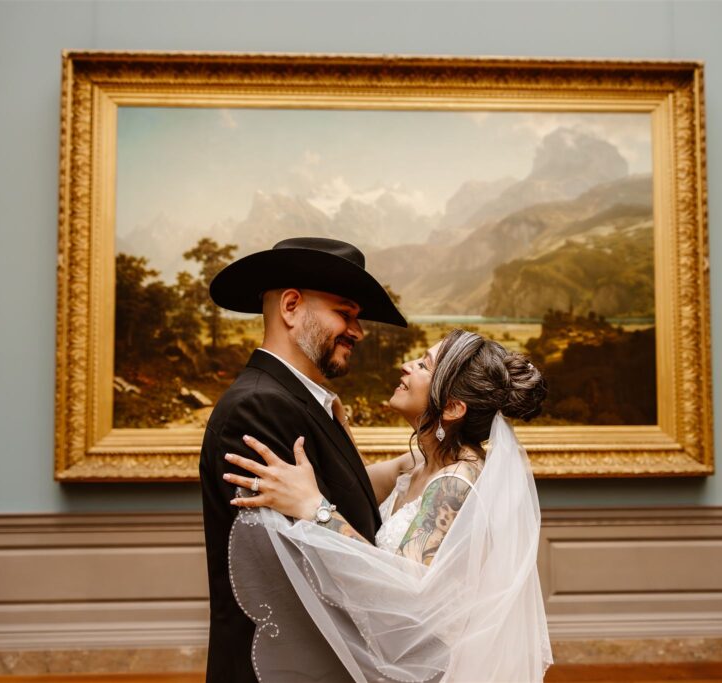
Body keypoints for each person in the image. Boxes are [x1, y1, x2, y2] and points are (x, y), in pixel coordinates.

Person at [225, 328, 553, 682]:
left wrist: (314, 508)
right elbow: (354, 487)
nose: (406, 366)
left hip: (424, 667)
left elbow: (403, 590)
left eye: (424, 366)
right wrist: (333, 425)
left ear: (454, 407)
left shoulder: (455, 483)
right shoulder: (419, 464)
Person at [200, 237, 408, 683]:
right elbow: (303, 559)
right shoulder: (258, 407)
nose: (358, 330)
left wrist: (411, 466)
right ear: (291, 307)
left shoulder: (300, 401)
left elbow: (330, 496)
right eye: (345, 313)